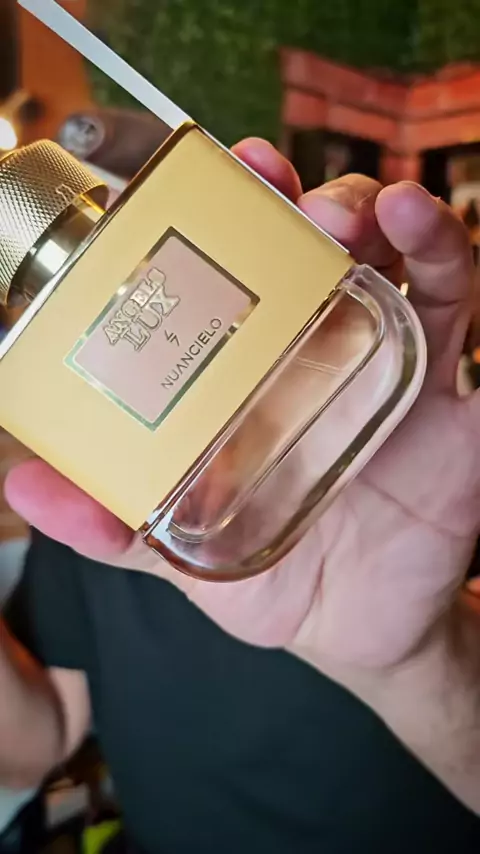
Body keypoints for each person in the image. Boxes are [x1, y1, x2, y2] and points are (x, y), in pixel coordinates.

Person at [1, 135, 480, 853]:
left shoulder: (388, 434)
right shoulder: (92, 493)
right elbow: (41, 741)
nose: (147, 316)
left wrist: (423, 662)